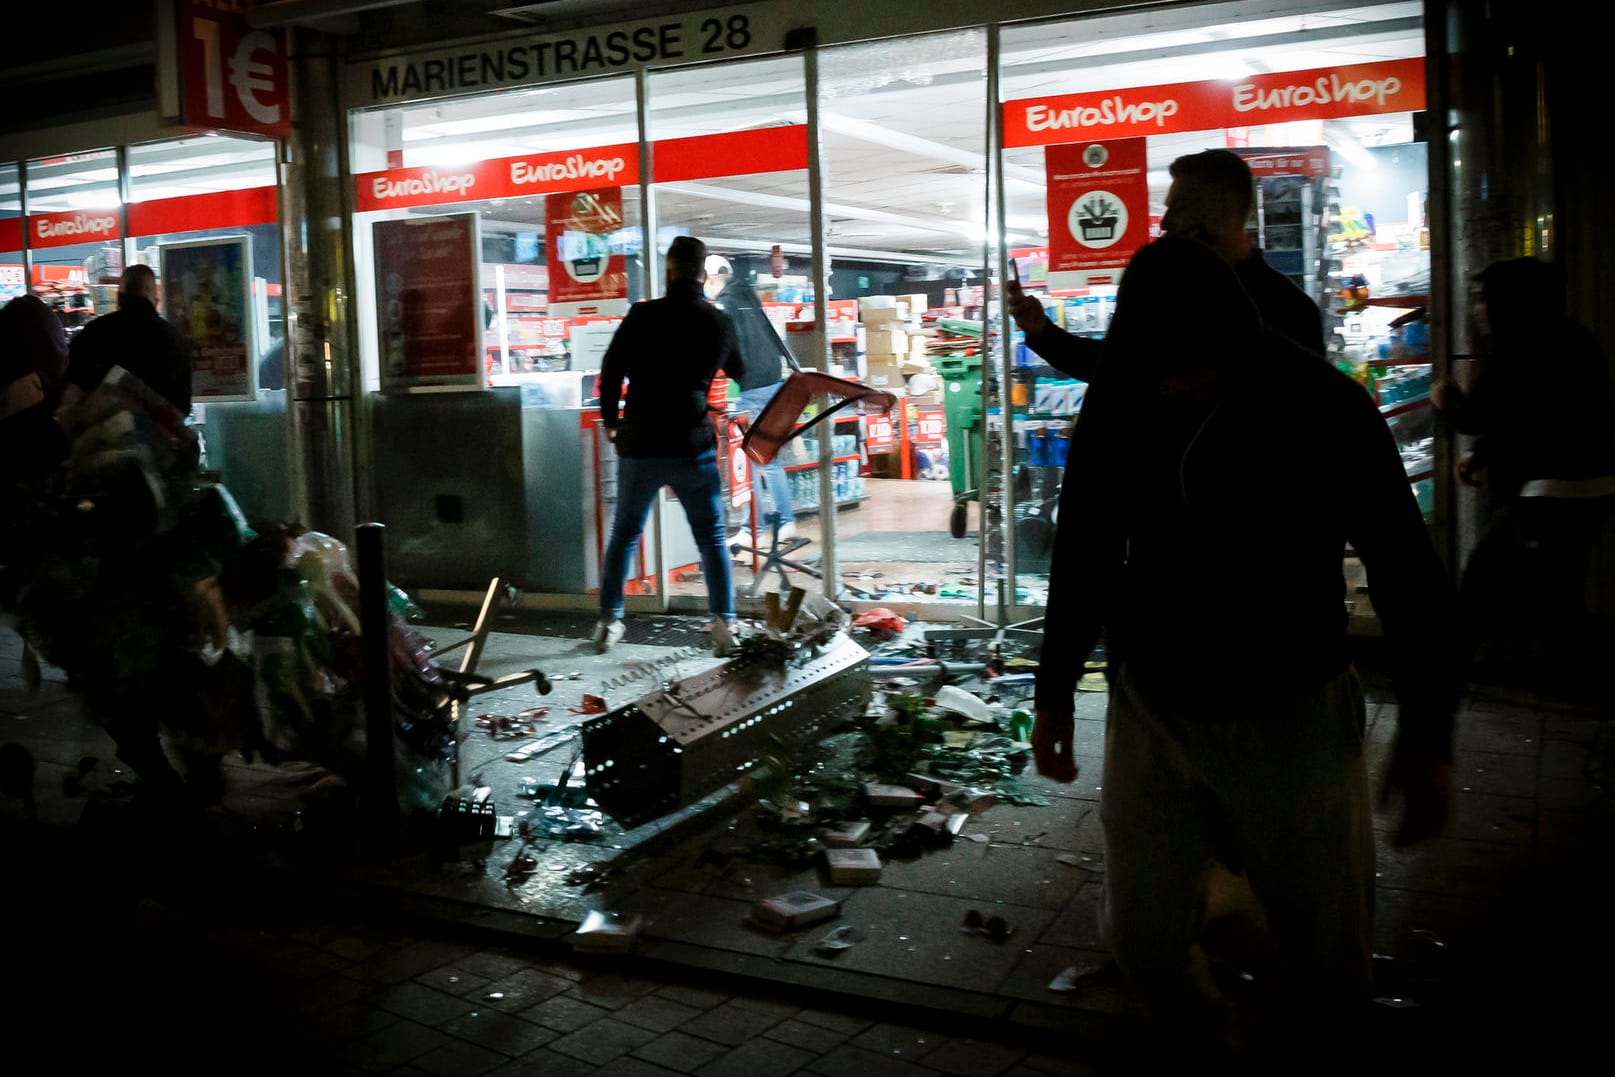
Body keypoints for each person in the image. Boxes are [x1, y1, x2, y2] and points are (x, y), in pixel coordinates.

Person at [1030, 235, 1459, 1068]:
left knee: (1326, 954)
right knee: (1140, 934)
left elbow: (1406, 571)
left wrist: (1428, 732)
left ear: (1237, 345)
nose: (1169, 386)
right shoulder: (1125, 389)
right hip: (1153, 701)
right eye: (1154, 368)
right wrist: (1053, 691)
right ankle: (1208, 1040)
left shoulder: (1322, 403)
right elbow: (1083, 546)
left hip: (1292, 703)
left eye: (1188, 370)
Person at [1432, 256, 1615, 687]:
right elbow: (1534, 416)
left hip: (1552, 494)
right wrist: (1482, 455)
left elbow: (1479, 416)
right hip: (1582, 490)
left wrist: (1447, 398)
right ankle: (1446, 676)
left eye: (1483, 300)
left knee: (1540, 605)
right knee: (1503, 586)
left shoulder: (1520, 346)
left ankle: (1442, 680)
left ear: (1508, 303)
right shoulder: (1571, 340)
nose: (1477, 309)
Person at [1006, 148, 1327, 379]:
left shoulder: (1288, 312)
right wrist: (1044, 332)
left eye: (1181, 207)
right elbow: (1114, 366)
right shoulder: (1168, 295)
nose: (1167, 221)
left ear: (1223, 212)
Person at [594, 236, 744, 656]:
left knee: (624, 534)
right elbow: (740, 368)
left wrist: (611, 422)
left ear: (669, 271)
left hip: (640, 443)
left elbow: (611, 370)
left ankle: (609, 622)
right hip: (690, 444)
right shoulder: (717, 321)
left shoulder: (641, 316)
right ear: (703, 275)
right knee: (712, 538)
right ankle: (723, 624)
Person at [703, 254, 798, 550]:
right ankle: (779, 522)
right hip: (774, 384)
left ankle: (755, 527)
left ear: (711, 279)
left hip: (752, 389)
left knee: (750, 460)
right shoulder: (749, 296)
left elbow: (729, 346)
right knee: (767, 460)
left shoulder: (727, 304)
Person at [66, 264, 193, 415]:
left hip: (102, 435)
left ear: (119, 298)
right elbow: (183, 405)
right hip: (158, 437)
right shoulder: (175, 340)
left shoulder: (93, 333)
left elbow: (71, 387)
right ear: (156, 301)